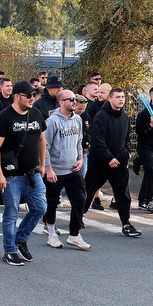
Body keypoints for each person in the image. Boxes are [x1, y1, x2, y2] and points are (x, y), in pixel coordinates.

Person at [0, 80, 48, 266]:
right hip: (12, 175)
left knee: (40, 208)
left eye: (34, 95)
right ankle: (9, 250)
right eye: (28, 95)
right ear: (17, 97)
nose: (32, 98)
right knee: (11, 214)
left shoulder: (36, 114)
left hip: (33, 173)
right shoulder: (4, 117)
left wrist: (43, 165)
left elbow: (41, 140)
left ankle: (21, 238)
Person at [81, 88, 141, 238]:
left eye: (123, 97)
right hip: (100, 163)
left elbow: (128, 138)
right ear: (110, 99)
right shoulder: (100, 117)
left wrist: (126, 153)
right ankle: (78, 217)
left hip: (119, 163)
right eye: (118, 97)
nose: (121, 100)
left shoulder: (125, 118)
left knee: (123, 193)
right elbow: (98, 141)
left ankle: (126, 224)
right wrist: (109, 158)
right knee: (88, 191)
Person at [43, 89, 90, 250]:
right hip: (55, 170)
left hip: (73, 169)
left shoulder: (77, 119)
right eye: (71, 99)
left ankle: (74, 235)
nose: (74, 102)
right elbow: (45, 147)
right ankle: (51, 233)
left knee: (80, 199)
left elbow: (79, 140)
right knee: (52, 202)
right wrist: (48, 169)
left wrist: (80, 157)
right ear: (61, 102)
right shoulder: (52, 122)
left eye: (75, 99)